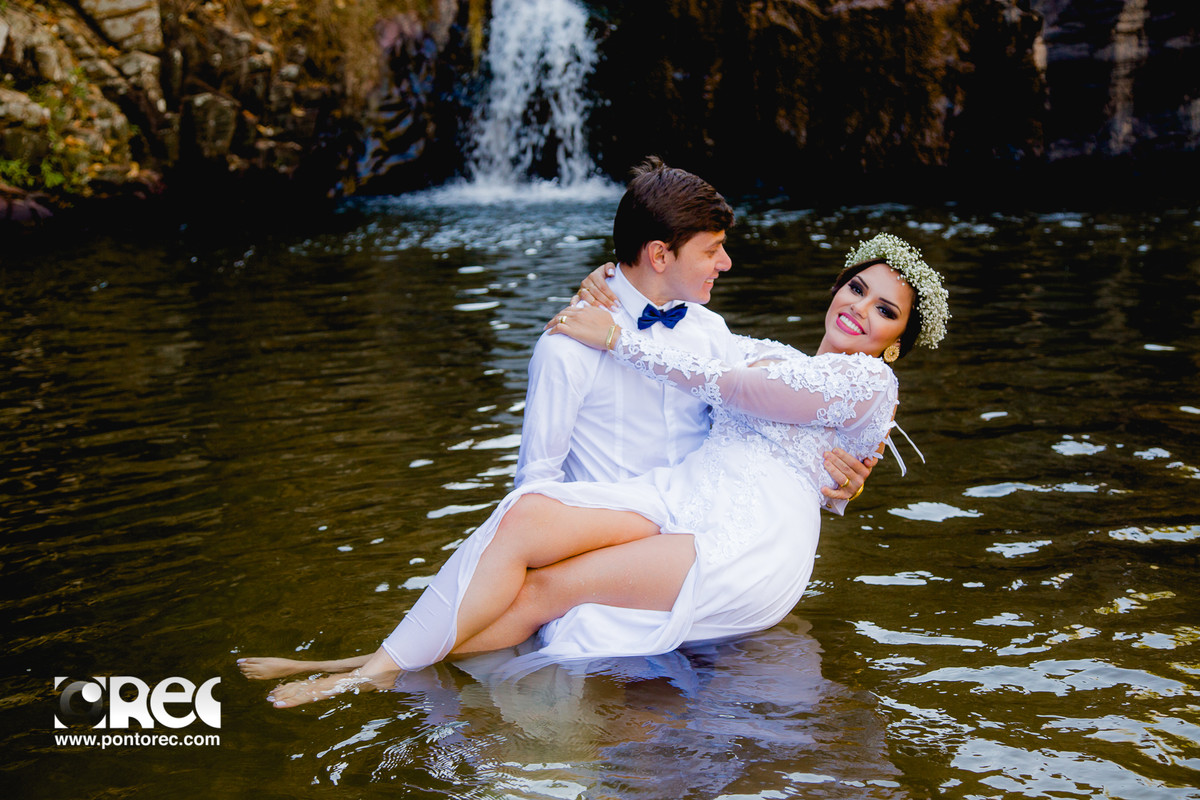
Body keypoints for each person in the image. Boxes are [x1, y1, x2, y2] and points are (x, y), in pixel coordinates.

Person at [239, 232, 950, 707]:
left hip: (745, 542)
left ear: (895, 342)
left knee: (549, 590)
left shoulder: (870, 383)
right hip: (685, 499)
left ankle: (365, 676)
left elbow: (736, 390)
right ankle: (369, 660)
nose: (860, 308)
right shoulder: (771, 352)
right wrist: (615, 283)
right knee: (526, 518)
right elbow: (696, 340)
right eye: (856, 288)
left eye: (884, 309)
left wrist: (615, 338)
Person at [516, 156, 871, 505]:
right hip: (607, 531)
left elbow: (757, 434)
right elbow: (536, 485)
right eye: (711, 251)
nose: (726, 263)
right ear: (659, 256)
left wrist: (835, 474)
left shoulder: (710, 329)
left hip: (703, 526)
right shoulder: (567, 345)